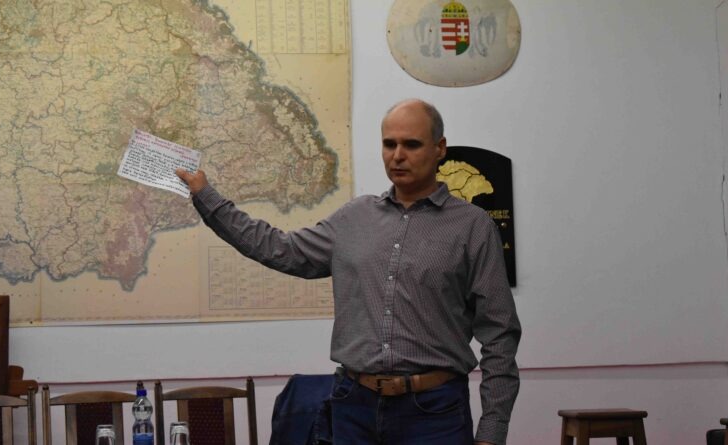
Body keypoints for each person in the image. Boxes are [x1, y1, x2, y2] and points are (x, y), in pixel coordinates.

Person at [176, 99, 521, 445]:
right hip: (353, 409)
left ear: (439, 148)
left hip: (434, 414)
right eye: (389, 144)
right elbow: (278, 248)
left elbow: (499, 334)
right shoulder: (354, 218)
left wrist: (492, 431)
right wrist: (207, 197)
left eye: (412, 144)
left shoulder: (472, 227)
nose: (398, 155)